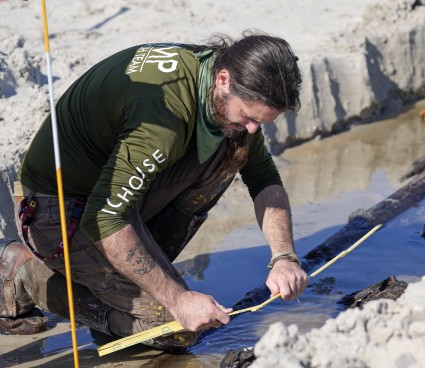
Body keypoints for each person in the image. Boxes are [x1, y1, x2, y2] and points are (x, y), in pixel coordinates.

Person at [0, 31, 308, 349]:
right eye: (248, 117)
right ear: (224, 80)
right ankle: (26, 274)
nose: (254, 129)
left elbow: (263, 178)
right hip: (58, 208)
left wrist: (284, 256)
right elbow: (105, 218)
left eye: (261, 122)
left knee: (229, 155)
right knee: (177, 329)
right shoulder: (164, 117)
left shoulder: (216, 78)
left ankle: (118, 289)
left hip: (112, 195)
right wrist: (178, 300)